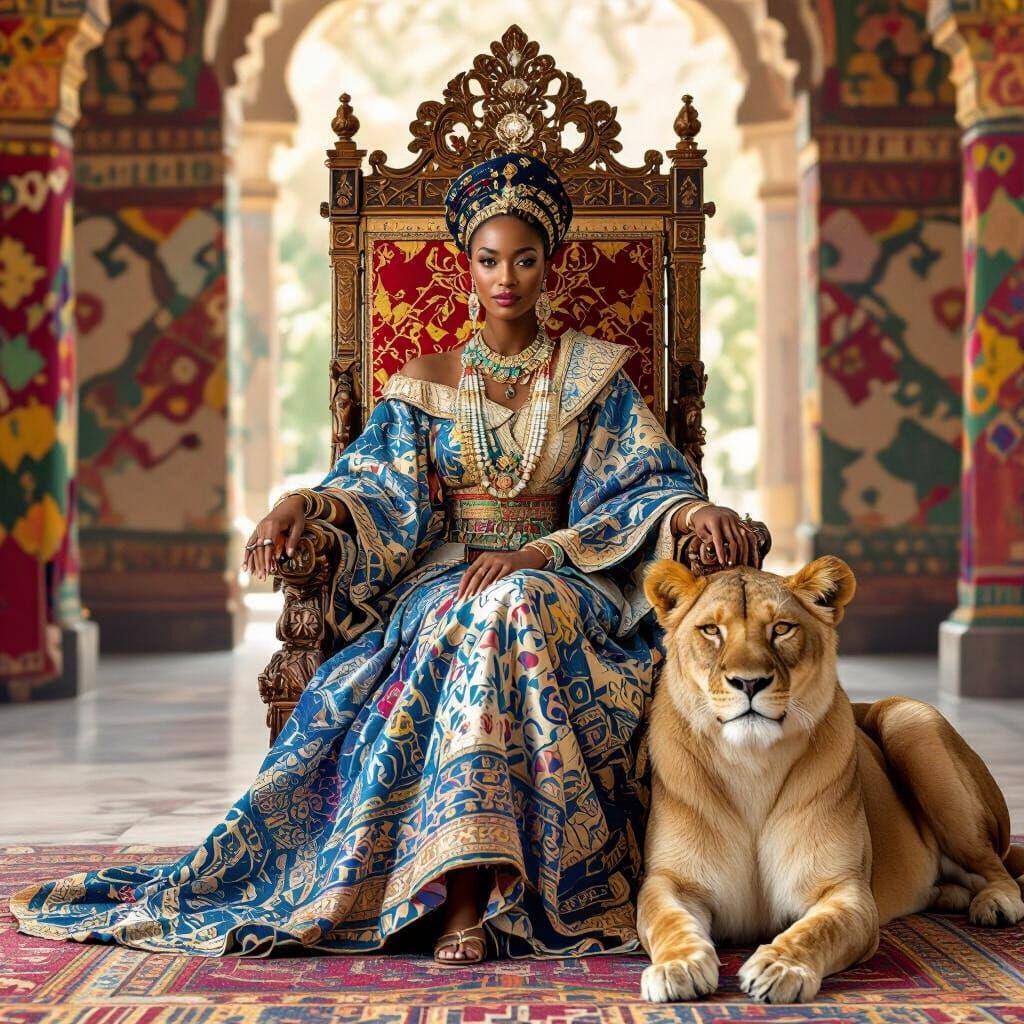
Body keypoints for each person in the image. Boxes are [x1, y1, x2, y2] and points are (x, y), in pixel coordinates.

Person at [10, 152, 755, 965]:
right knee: (484, 610)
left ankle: (474, 893)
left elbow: (644, 486)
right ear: (464, 267)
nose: (507, 278)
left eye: (526, 259)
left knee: (512, 605)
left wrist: (677, 514)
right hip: (450, 581)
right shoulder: (428, 381)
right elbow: (372, 490)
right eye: (489, 260)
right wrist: (306, 503)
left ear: (553, 265)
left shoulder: (594, 376)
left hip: (567, 580)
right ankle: (465, 887)